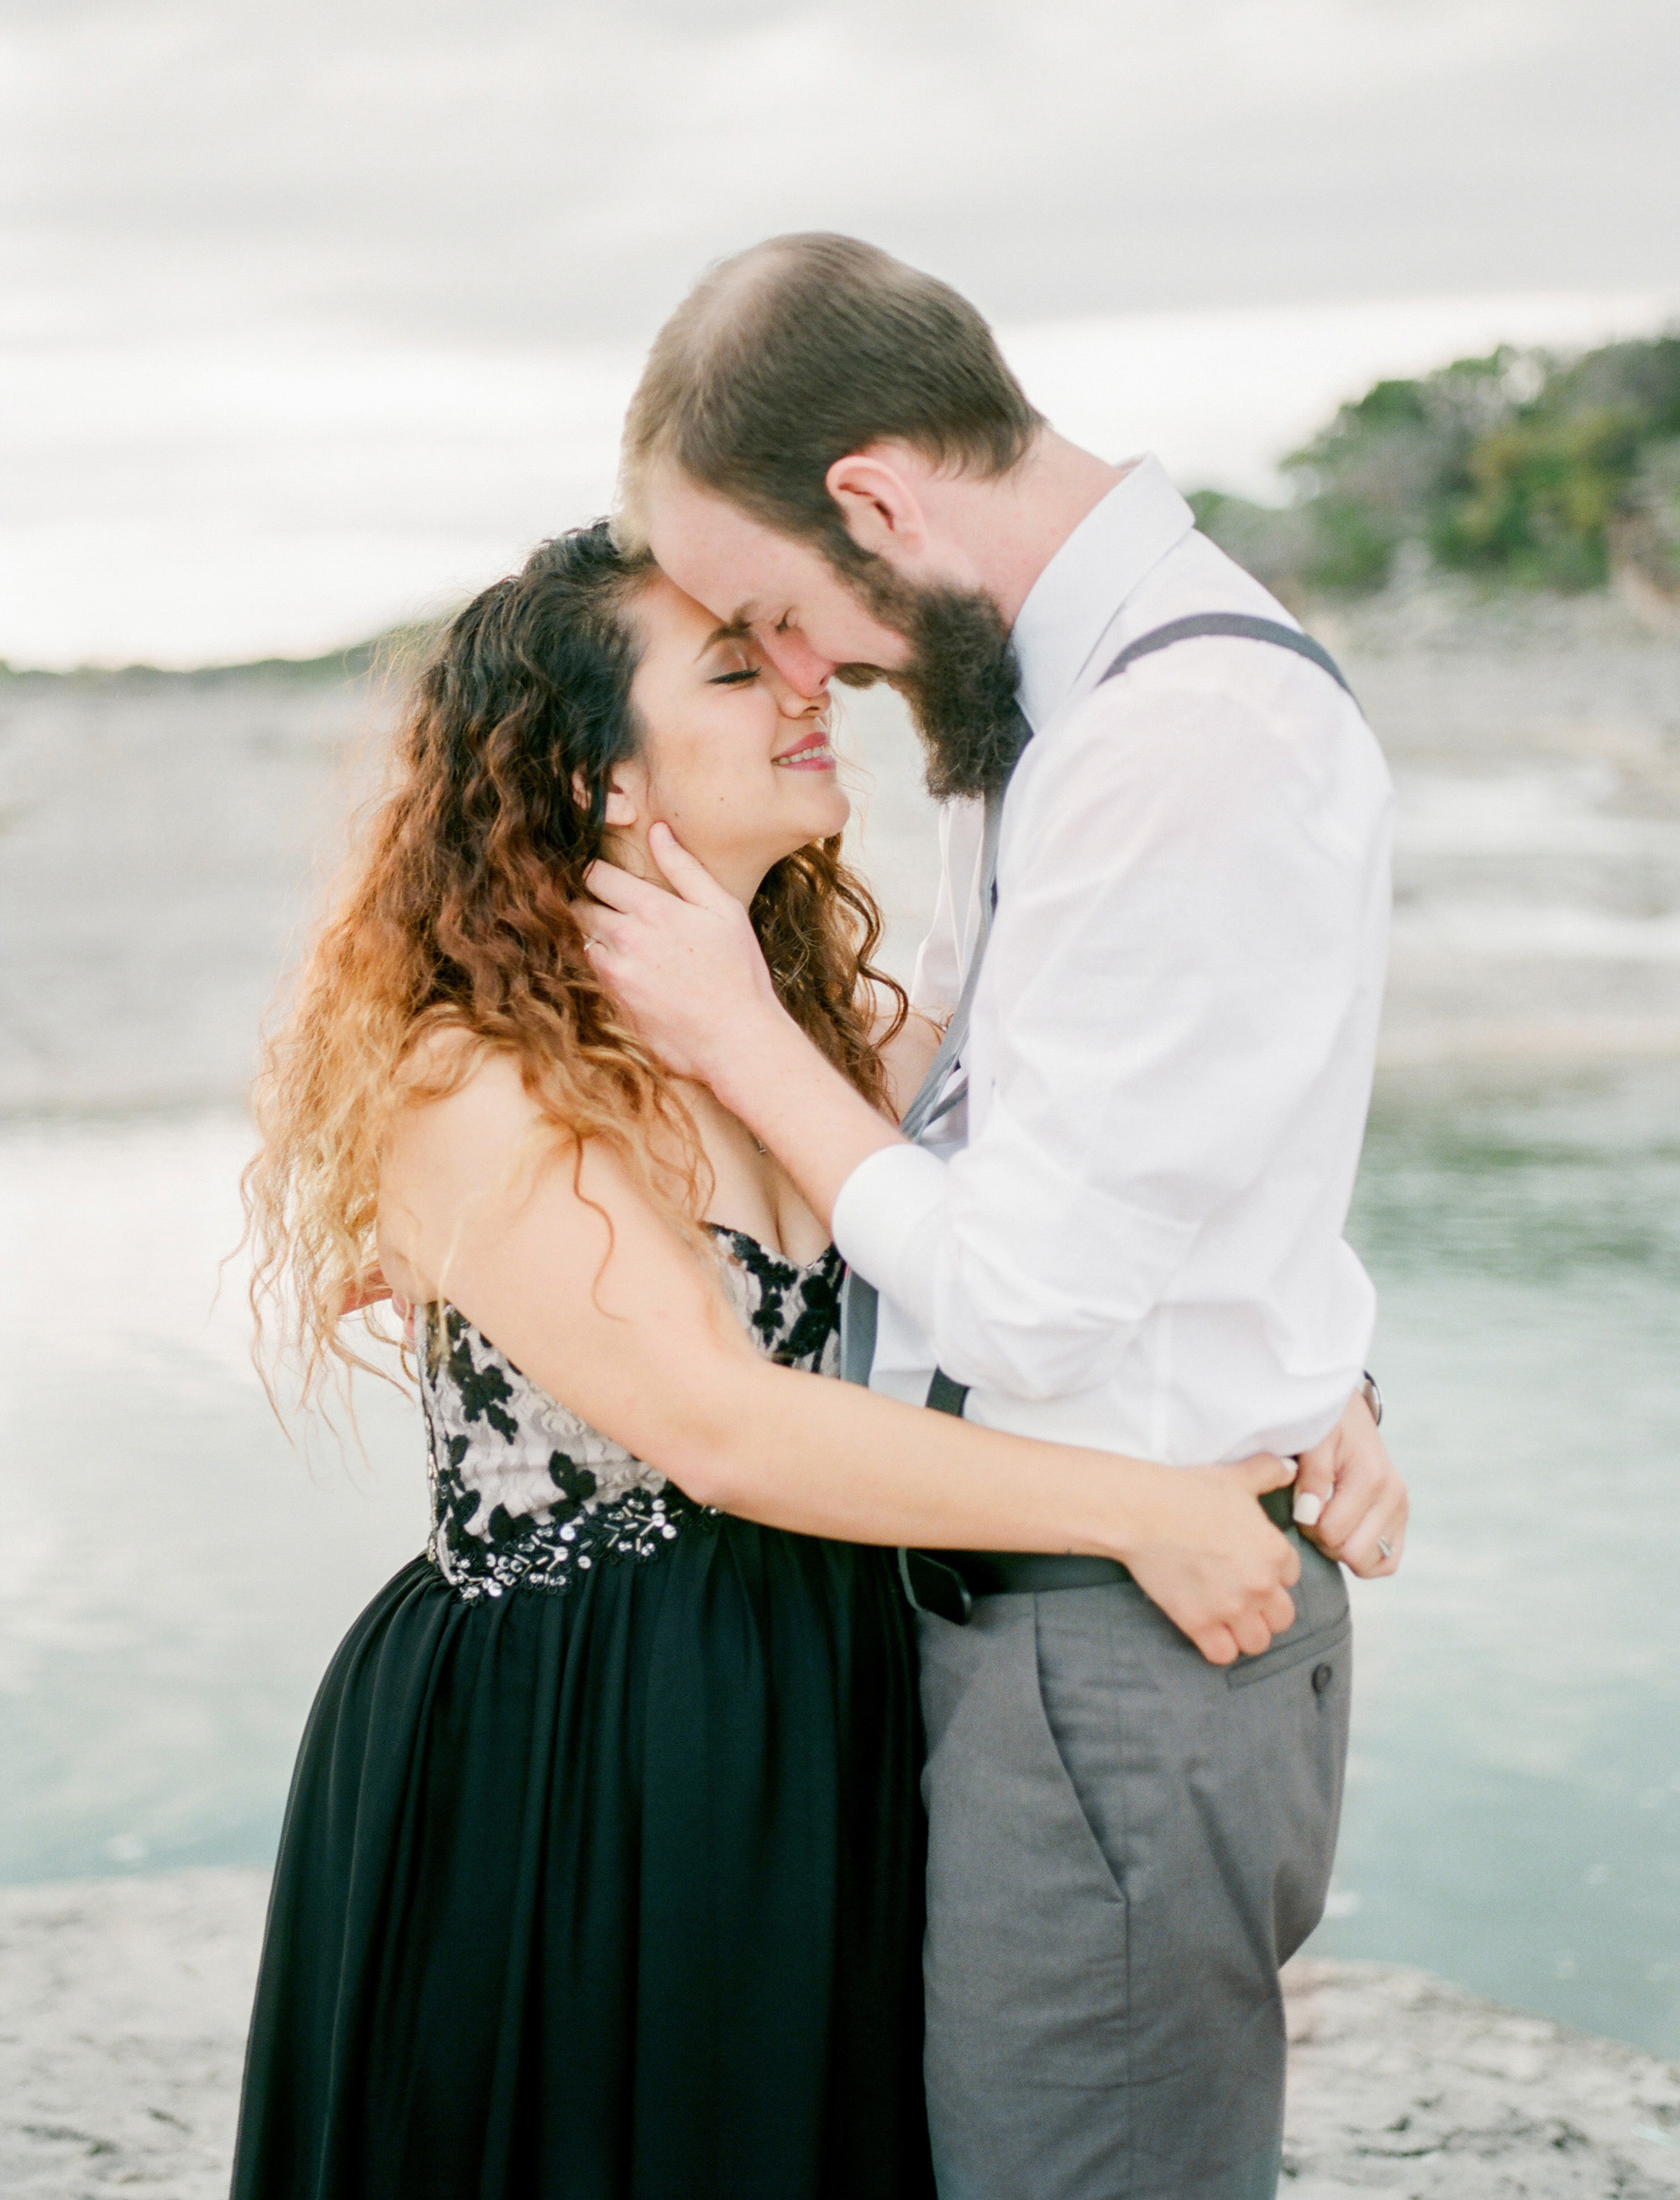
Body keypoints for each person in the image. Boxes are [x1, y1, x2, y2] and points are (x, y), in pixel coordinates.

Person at [231, 519, 1320, 2200]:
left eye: (790, 653)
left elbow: (1138, 1197)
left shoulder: (817, 1035)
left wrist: (1343, 1389)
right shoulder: (483, 1075)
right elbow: (725, 1431)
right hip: (584, 1736)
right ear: (595, 774)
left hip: (821, 1682)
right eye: (738, 671)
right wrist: (1147, 1509)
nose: (809, 688)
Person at [580, 234, 1410, 2200]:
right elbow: (1053, 1112)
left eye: (779, 613)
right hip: (1055, 1603)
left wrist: (734, 1029)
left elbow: (1031, 1296)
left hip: (1117, 1634)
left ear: (873, 497)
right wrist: (1309, 1339)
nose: (801, 676)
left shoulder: (1170, 736)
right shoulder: (1045, 700)